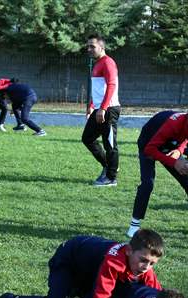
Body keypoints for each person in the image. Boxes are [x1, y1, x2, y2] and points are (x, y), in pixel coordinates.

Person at [0, 229, 164, 298]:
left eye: (152, 264)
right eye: (143, 261)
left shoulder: (143, 266)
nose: (146, 267)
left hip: (91, 270)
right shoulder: (114, 262)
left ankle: (75, 297)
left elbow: (159, 296)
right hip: (68, 260)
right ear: (130, 251)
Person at [126, 103, 188, 238]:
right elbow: (150, 150)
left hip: (169, 145)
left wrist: (178, 150)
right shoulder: (173, 125)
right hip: (148, 145)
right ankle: (134, 227)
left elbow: (187, 137)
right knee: (147, 184)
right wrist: (174, 162)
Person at [82, 34, 121, 186]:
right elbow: (99, 89)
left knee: (110, 144)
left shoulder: (108, 62)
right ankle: (109, 166)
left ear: (102, 47)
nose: (89, 49)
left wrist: (103, 108)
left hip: (109, 110)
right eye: (88, 46)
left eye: (92, 46)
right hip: (99, 108)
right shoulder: (97, 63)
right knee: (87, 138)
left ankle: (111, 178)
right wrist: (92, 105)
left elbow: (111, 85)